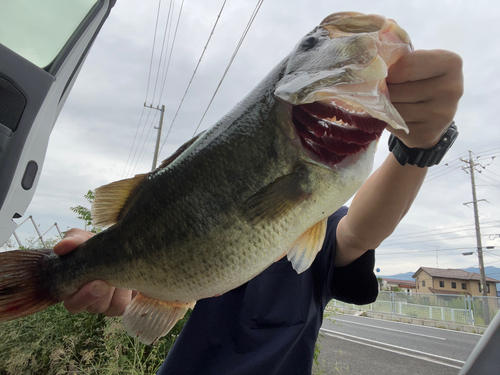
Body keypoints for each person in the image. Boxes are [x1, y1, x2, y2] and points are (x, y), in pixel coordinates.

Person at [54, 49, 463, 374]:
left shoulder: (319, 225)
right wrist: (102, 265)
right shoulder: (243, 201)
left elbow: (360, 232)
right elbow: (150, 268)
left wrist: (420, 145)